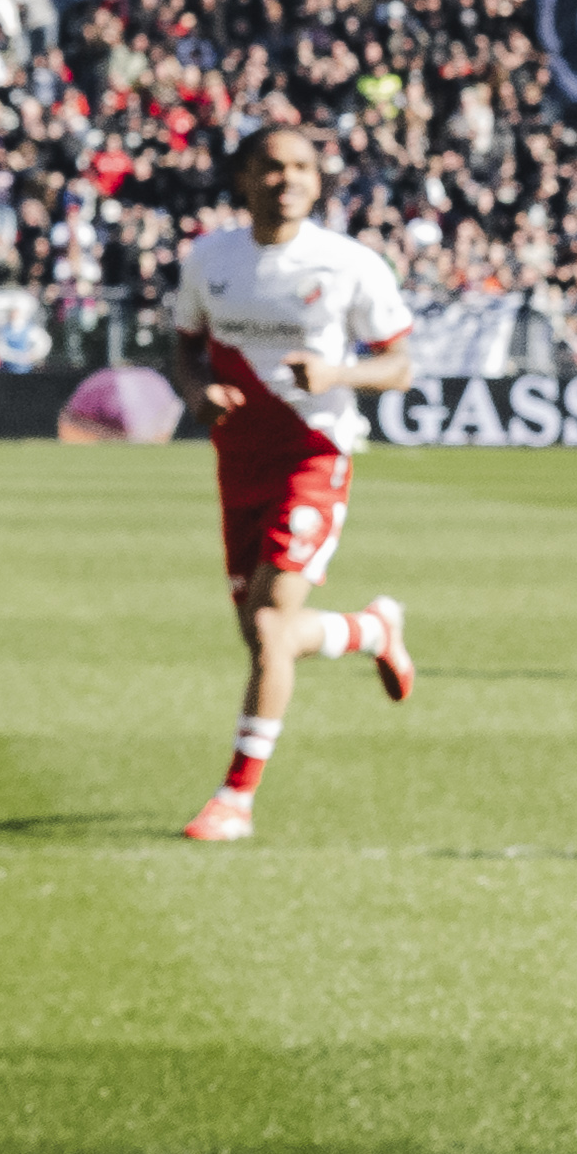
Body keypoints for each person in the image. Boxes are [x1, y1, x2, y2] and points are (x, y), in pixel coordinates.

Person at [171, 114, 421, 844]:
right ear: (245, 178)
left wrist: (340, 372)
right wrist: (195, 392)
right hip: (237, 461)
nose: (288, 181)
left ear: (318, 181)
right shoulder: (209, 259)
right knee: (262, 636)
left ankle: (235, 799)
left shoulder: (347, 263)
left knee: (273, 626)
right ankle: (371, 628)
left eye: (303, 169)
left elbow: (400, 364)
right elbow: (184, 347)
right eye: (273, 167)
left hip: (314, 455)